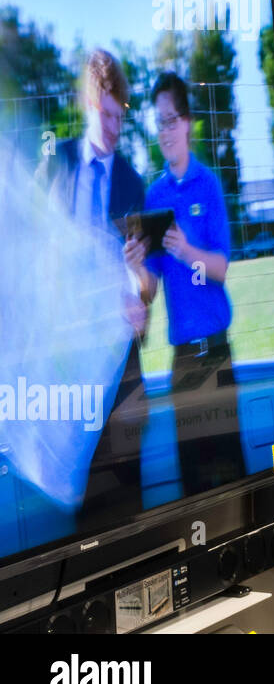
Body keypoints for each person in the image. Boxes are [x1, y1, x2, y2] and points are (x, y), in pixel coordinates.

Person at [36, 49, 147, 526]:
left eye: (119, 118)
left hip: (122, 376)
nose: (111, 128)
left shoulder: (134, 184)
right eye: (103, 114)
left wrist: (140, 295)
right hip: (67, 370)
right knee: (72, 515)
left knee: (127, 507)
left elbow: (148, 287)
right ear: (86, 105)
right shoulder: (56, 166)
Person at [128, 73, 242, 496]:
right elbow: (151, 288)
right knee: (195, 484)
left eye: (172, 120)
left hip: (216, 353)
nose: (166, 131)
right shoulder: (154, 197)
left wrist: (187, 250)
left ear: (189, 123)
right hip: (183, 365)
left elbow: (221, 268)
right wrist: (138, 268)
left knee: (230, 476)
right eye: (159, 123)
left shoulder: (209, 185)